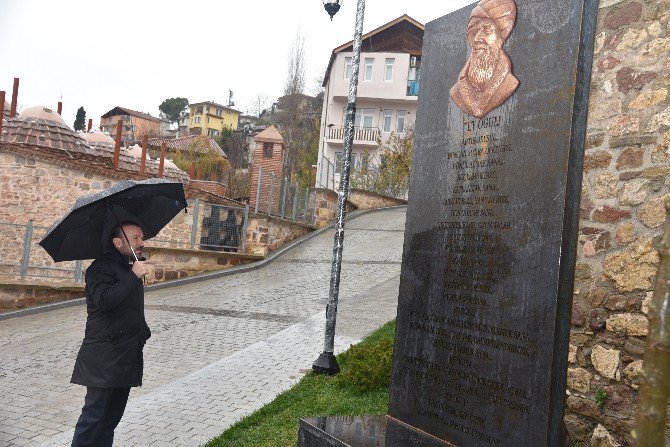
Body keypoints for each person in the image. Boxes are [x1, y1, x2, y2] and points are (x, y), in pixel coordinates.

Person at [70, 222, 151, 447]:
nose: (141, 243)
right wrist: (133, 276)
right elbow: (104, 301)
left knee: (110, 421)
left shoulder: (128, 266)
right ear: (117, 242)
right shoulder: (100, 269)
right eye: (135, 238)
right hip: (104, 358)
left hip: (125, 355)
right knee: (94, 419)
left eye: (142, 238)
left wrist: (143, 332)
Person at [450, 0, 519, 119]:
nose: (477, 38)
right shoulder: (456, 91)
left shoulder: (510, 82)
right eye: (473, 31)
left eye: (486, 30)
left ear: (501, 36)